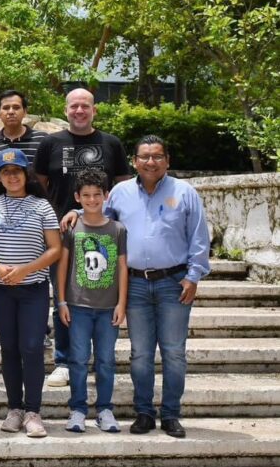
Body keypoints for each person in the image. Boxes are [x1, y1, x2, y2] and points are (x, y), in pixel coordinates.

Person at [62, 136, 210, 438]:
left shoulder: (185, 192)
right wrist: (76, 213)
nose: (151, 162)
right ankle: (144, 412)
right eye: (145, 156)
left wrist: (193, 276)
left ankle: (170, 414)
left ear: (167, 160)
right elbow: (99, 218)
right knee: (140, 353)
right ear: (134, 160)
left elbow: (199, 237)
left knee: (173, 352)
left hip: (174, 282)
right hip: (136, 284)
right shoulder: (120, 192)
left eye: (157, 156)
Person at [34, 88, 130, 388]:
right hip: (62, 235)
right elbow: (40, 184)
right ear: (66, 110)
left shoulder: (111, 143)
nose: (79, 110)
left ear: (94, 110)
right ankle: (63, 360)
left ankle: (101, 358)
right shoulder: (50, 142)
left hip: (103, 233)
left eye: (85, 106)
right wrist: (56, 217)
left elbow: (123, 189)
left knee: (99, 293)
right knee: (62, 295)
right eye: (74, 106)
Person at [0, 148, 62, 439]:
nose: (11, 176)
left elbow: (55, 249)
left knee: (32, 348)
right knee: (9, 349)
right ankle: (14, 409)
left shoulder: (41, 206)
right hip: (0, 289)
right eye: (5, 172)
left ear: (26, 174)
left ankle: (33, 412)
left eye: (16, 171)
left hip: (33, 289)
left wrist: (26, 269)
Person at [0, 89, 46, 347]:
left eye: (16, 107)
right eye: (6, 108)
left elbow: (46, 178)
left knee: (34, 269)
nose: (11, 111)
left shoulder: (41, 140)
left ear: (25, 110)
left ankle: (39, 328)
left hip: (32, 211)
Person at [57, 169, 128, 434]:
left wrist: (122, 303)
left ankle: (105, 409)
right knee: (77, 358)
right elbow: (63, 267)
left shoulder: (117, 229)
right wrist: (61, 301)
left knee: (106, 360)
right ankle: (77, 408)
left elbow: (121, 268)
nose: (92, 200)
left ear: (106, 196)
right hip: (78, 306)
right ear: (78, 197)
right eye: (86, 195)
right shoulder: (72, 227)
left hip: (108, 307)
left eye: (97, 195)